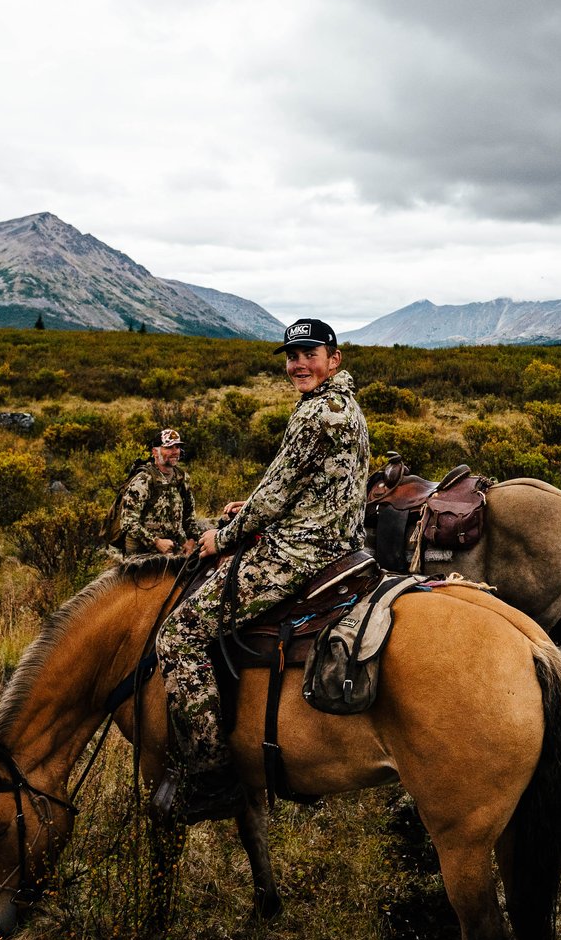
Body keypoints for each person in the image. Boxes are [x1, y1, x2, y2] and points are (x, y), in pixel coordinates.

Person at [155, 318, 370, 818]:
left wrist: (222, 537)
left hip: (299, 551)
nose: (299, 364)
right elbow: (289, 483)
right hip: (337, 540)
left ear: (334, 359)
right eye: (292, 356)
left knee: (179, 634)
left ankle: (213, 774)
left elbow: (275, 496)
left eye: (310, 354)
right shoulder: (342, 403)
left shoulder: (317, 413)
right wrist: (248, 507)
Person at [110, 427, 205, 557]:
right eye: (169, 447)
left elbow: (189, 517)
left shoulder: (181, 478)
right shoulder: (143, 480)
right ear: (155, 452)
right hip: (141, 552)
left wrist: (191, 541)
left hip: (172, 547)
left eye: (177, 447)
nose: (175, 452)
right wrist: (156, 542)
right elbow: (128, 521)